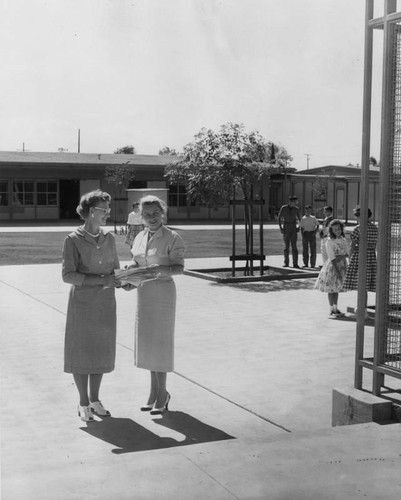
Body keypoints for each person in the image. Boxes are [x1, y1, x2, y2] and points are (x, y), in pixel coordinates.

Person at [62, 190, 121, 422]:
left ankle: (95, 400)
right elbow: (68, 275)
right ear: (88, 212)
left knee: (100, 351)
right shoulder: (73, 239)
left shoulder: (110, 239)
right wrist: (101, 281)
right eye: (102, 210)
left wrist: (126, 281)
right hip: (82, 304)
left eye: (108, 210)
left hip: (106, 303)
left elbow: (114, 270)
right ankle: (83, 402)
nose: (107, 214)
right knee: (82, 351)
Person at [127, 195, 185, 415]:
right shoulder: (140, 236)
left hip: (163, 294)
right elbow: (138, 261)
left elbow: (179, 268)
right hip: (144, 293)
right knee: (148, 343)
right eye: (147, 214)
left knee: (161, 343)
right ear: (141, 217)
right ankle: (153, 392)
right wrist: (129, 273)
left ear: (163, 213)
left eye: (155, 213)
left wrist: (163, 271)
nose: (152, 218)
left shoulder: (172, 237)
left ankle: (163, 394)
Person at [343, 207, 378, 318]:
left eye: (357, 216)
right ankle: (363, 310)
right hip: (371, 256)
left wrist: (350, 256)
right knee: (364, 286)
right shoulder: (374, 228)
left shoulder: (358, 228)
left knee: (360, 284)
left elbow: (353, 244)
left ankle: (362, 312)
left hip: (360, 256)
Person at [314, 219, 349, 318]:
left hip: (342, 265)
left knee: (336, 288)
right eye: (335, 230)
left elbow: (347, 253)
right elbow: (332, 257)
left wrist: (341, 257)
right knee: (331, 289)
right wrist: (336, 270)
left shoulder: (343, 240)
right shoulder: (329, 241)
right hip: (332, 266)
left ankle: (336, 307)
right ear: (331, 230)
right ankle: (331, 309)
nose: (337, 231)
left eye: (339, 229)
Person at [278, 195, 301, 268]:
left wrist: (298, 227)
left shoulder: (296, 209)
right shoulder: (284, 208)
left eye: (296, 202)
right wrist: (281, 228)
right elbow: (279, 218)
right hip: (286, 226)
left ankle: (295, 263)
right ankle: (286, 263)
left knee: (294, 246)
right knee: (286, 247)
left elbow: (300, 219)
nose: (295, 203)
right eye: (294, 202)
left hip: (293, 227)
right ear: (290, 202)